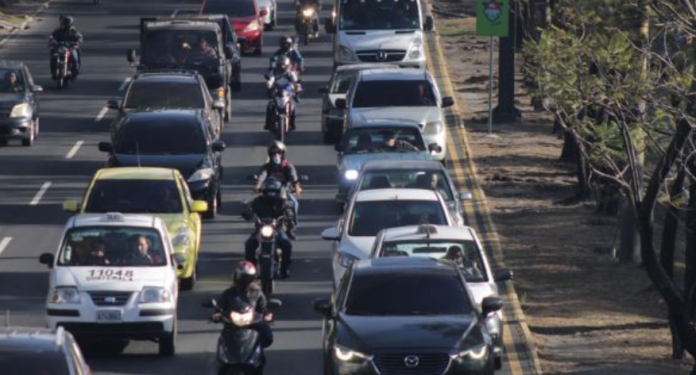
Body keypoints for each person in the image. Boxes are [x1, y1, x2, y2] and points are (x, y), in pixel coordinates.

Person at [213, 261, 274, 348]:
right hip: (232, 325)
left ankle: (257, 349)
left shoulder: (257, 293)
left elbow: (263, 307)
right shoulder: (228, 293)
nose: (243, 280)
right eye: (242, 277)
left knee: (267, 335)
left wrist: (267, 314)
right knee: (224, 338)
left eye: (247, 278)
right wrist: (217, 314)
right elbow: (220, 307)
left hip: (253, 324)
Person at [244, 177, 294, 278]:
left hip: (277, 230)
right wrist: (247, 213)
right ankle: (251, 270)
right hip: (260, 230)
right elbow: (250, 209)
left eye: (273, 192)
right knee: (249, 244)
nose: (271, 194)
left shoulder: (281, 202)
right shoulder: (257, 201)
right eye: (268, 192)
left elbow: (288, 211)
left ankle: (284, 269)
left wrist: (289, 215)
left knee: (286, 245)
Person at [254, 141, 302, 232]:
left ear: (282, 154)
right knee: (255, 204)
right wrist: (258, 185)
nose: (276, 155)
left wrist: (297, 186)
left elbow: (293, 176)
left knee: (294, 203)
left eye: (278, 153)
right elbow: (262, 176)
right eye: (273, 153)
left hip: (284, 192)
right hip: (268, 192)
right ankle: (258, 224)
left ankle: (293, 224)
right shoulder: (267, 167)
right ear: (270, 154)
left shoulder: (288, 166)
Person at [265, 56, 300, 130]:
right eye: (280, 65)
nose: (282, 67)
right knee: (269, 106)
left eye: (283, 65)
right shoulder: (273, 72)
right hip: (277, 91)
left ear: (287, 65)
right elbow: (271, 79)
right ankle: (267, 123)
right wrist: (269, 84)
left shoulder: (291, 73)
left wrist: (298, 89)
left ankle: (292, 123)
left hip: (287, 92)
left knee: (293, 108)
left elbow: (296, 82)